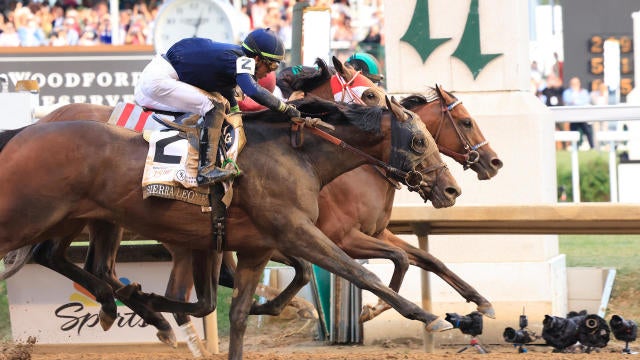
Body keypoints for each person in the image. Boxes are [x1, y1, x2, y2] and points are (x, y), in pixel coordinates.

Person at [134, 28, 300, 186]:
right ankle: (206, 170)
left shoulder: (234, 57)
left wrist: (236, 113)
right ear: (257, 59)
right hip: (159, 80)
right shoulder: (243, 60)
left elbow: (226, 91)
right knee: (214, 107)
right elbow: (253, 90)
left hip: (156, 77)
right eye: (272, 66)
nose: (269, 73)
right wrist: (285, 108)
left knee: (218, 105)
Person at [563, 76, 594, 149]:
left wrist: (575, 101)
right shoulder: (567, 92)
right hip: (572, 116)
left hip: (583, 115)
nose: (574, 85)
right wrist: (576, 100)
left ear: (579, 83)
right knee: (573, 132)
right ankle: (575, 147)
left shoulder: (584, 92)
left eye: (576, 83)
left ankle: (592, 147)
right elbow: (567, 100)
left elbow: (586, 101)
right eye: (573, 83)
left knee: (588, 131)